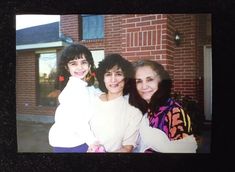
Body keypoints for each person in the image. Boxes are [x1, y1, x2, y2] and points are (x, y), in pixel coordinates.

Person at [129, 60, 198, 153]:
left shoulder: (174, 111)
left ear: (161, 81)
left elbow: (184, 151)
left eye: (150, 79)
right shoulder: (148, 108)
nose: (144, 86)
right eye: (139, 81)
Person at [48, 43, 104, 152]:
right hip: (69, 144)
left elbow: (93, 91)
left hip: (77, 140)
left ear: (89, 65)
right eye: (73, 63)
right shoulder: (73, 90)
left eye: (83, 62)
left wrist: (103, 94)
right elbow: (78, 121)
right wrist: (92, 141)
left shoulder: (83, 85)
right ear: (66, 67)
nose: (79, 67)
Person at [89, 54, 142, 152]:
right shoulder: (92, 100)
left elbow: (127, 148)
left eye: (118, 74)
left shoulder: (133, 111)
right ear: (103, 78)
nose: (113, 79)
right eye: (108, 74)